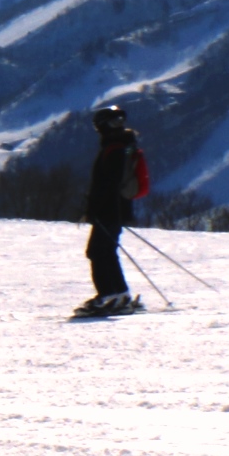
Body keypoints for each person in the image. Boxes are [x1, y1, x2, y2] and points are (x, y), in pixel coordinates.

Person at [79, 105, 144, 315]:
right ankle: (120, 294)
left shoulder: (115, 148)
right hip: (117, 210)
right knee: (106, 251)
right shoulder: (124, 146)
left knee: (97, 252)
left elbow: (107, 184)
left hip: (108, 211)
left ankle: (109, 296)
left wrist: (94, 210)